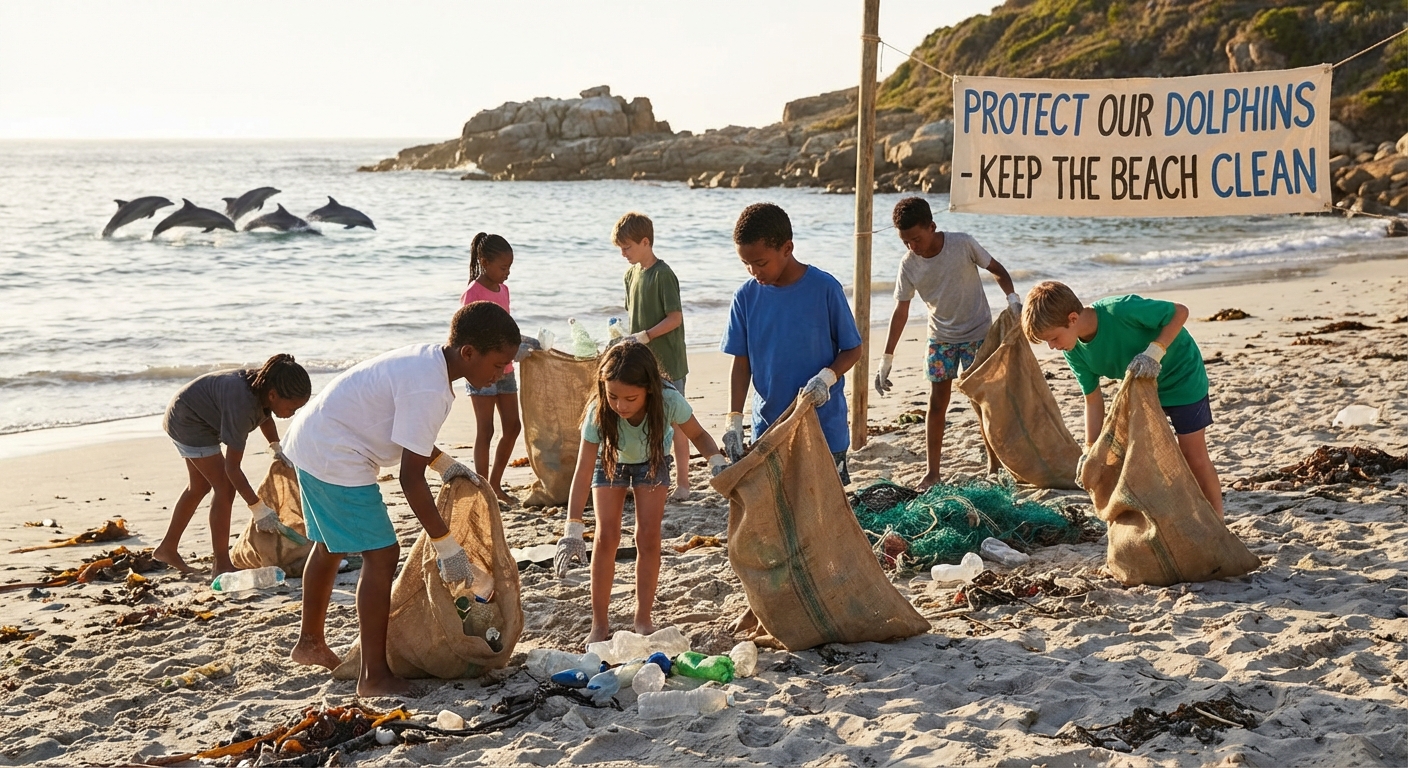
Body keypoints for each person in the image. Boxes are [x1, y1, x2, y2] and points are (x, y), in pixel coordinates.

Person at [284, 302, 523, 696]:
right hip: (335, 453)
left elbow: (406, 429)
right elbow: (410, 479)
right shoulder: (431, 388)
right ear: (468, 353)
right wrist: (445, 545)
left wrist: (442, 462)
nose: (501, 374)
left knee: (328, 545)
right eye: (498, 365)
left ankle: (309, 643)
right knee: (382, 555)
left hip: (312, 437)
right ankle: (373, 676)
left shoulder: (428, 362)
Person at [552, 341, 727, 646]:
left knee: (647, 537)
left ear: (649, 389)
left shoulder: (670, 400)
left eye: (631, 398)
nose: (620, 406)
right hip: (611, 463)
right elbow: (582, 470)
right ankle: (599, 623)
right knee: (607, 537)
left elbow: (698, 434)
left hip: (651, 462)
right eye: (613, 396)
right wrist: (572, 527)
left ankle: (643, 619)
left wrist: (717, 464)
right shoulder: (598, 410)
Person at [1021, 281, 1223, 518]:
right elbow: (1093, 400)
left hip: (1182, 377)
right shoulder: (1073, 350)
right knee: (1144, 460)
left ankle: (1218, 520)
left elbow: (1180, 311)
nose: (1052, 347)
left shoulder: (1120, 310)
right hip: (1143, 390)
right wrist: (1089, 450)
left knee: (1194, 455)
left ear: (1072, 318)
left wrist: (1155, 351)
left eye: (1053, 338)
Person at [874, 197, 1022, 490]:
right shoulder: (909, 265)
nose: (912, 247)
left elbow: (998, 270)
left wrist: (1013, 299)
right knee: (937, 403)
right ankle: (932, 472)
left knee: (983, 403)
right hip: (941, 339)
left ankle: (993, 463)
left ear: (932, 226)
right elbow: (901, 311)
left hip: (978, 333)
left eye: (916, 238)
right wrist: (886, 358)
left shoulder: (963, 244)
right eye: (905, 242)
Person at [719, 202, 862, 483]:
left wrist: (827, 378)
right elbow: (741, 362)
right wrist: (734, 419)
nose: (753, 271)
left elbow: (853, 348)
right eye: (746, 264)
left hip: (823, 426)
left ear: (787, 248)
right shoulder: (745, 297)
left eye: (760, 263)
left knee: (824, 511)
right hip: (769, 427)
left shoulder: (825, 288)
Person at [155, 354, 310, 575]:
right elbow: (232, 468)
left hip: (196, 410)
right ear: (274, 395)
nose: (292, 414)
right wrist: (258, 509)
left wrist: (275, 446)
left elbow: (265, 416)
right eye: (292, 408)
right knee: (225, 487)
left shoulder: (263, 387)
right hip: (188, 421)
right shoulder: (242, 407)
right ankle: (221, 564)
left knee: (199, 486)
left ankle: (167, 548)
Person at [613, 212, 692, 501]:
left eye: (628, 247)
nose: (623, 254)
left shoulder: (663, 274)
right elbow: (633, 316)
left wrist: (645, 335)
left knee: (678, 422)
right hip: (641, 364)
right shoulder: (629, 275)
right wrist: (624, 336)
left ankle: (683, 482)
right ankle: (650, 477)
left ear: (645, 242)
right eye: (621, 248)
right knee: (646, 421)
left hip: (669, 362)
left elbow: (675, 318)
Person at [461, 232, 522, 505]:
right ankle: (482, 488)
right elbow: (466, 333)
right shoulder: (473, 293)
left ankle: (495, 484)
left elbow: (506, 330)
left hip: (506, 370)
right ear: (484, 262)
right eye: (502, 267)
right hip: (481, 372)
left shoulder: (504, 291)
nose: (507, 273)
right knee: (485, 430)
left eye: (509, 268)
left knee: (513, 426)